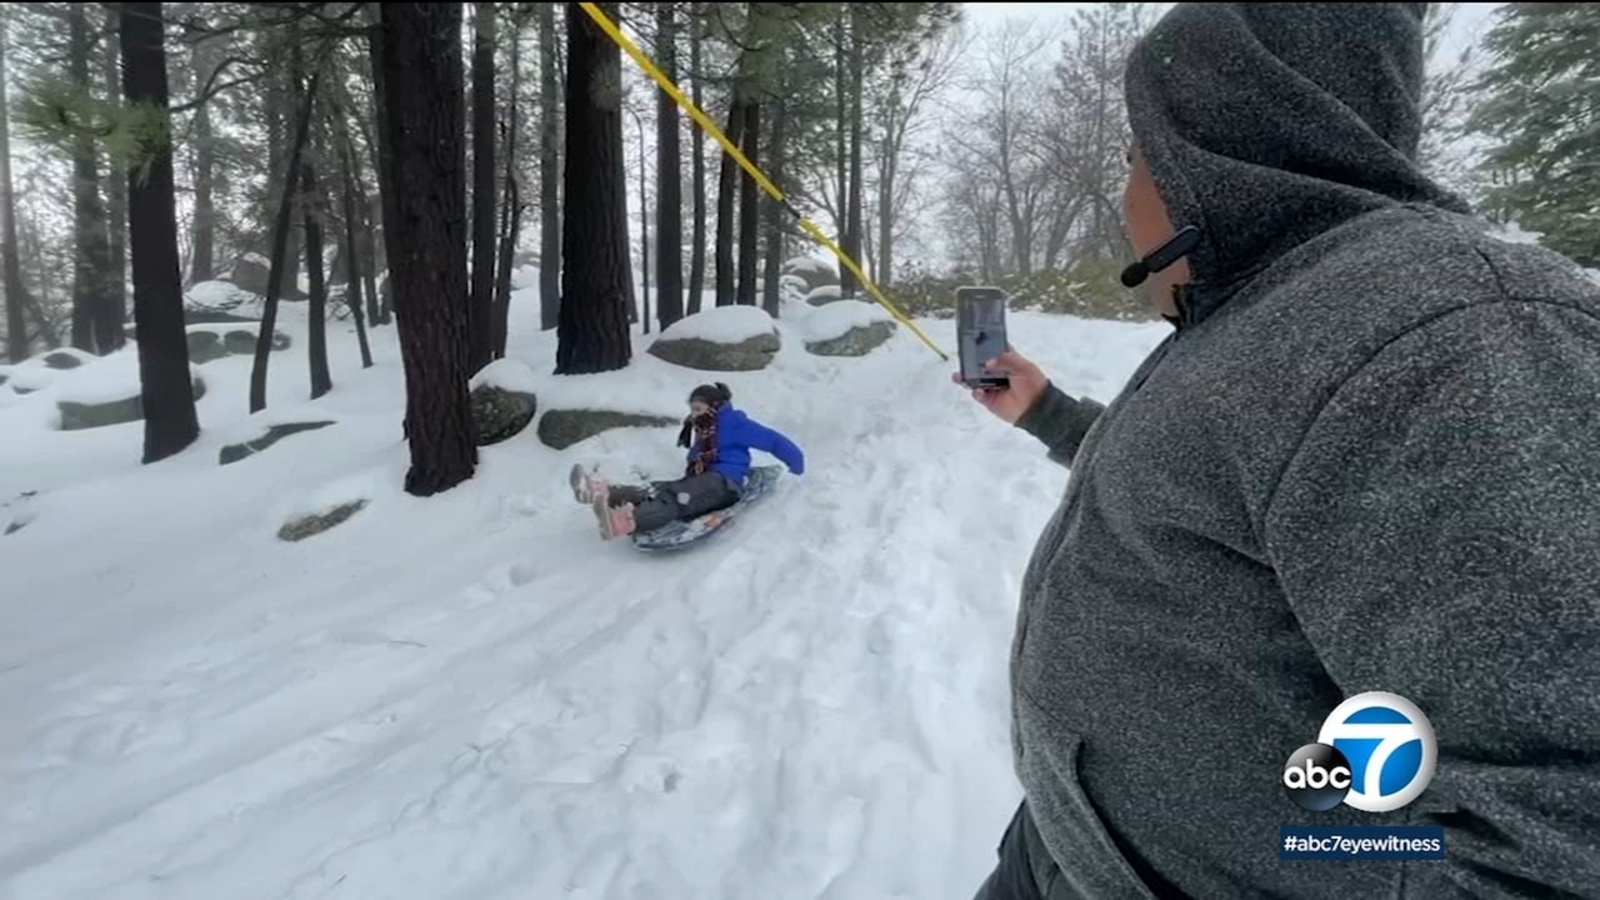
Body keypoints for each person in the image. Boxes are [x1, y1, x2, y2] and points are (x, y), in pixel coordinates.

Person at [961, 4, 1600, 899]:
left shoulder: (1451, 329)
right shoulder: (1278, 305)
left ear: (1212, 149)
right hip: (1076, 846)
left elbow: (1564, 834)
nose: (1123, 195)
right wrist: (1048, 414)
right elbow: (1210, 496)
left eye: (1131, 156)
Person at [570, 382, 804, 541]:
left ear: (714, 407)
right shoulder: (705, 427)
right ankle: (603, 493)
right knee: (658, 490)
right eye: (692, 409)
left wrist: (797, 463)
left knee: (675, 499)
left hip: (725, 484)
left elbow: (773, 441)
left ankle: (627, 521)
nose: (694, 414)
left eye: (698, 409)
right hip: (702, 481)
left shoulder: (735, 424)